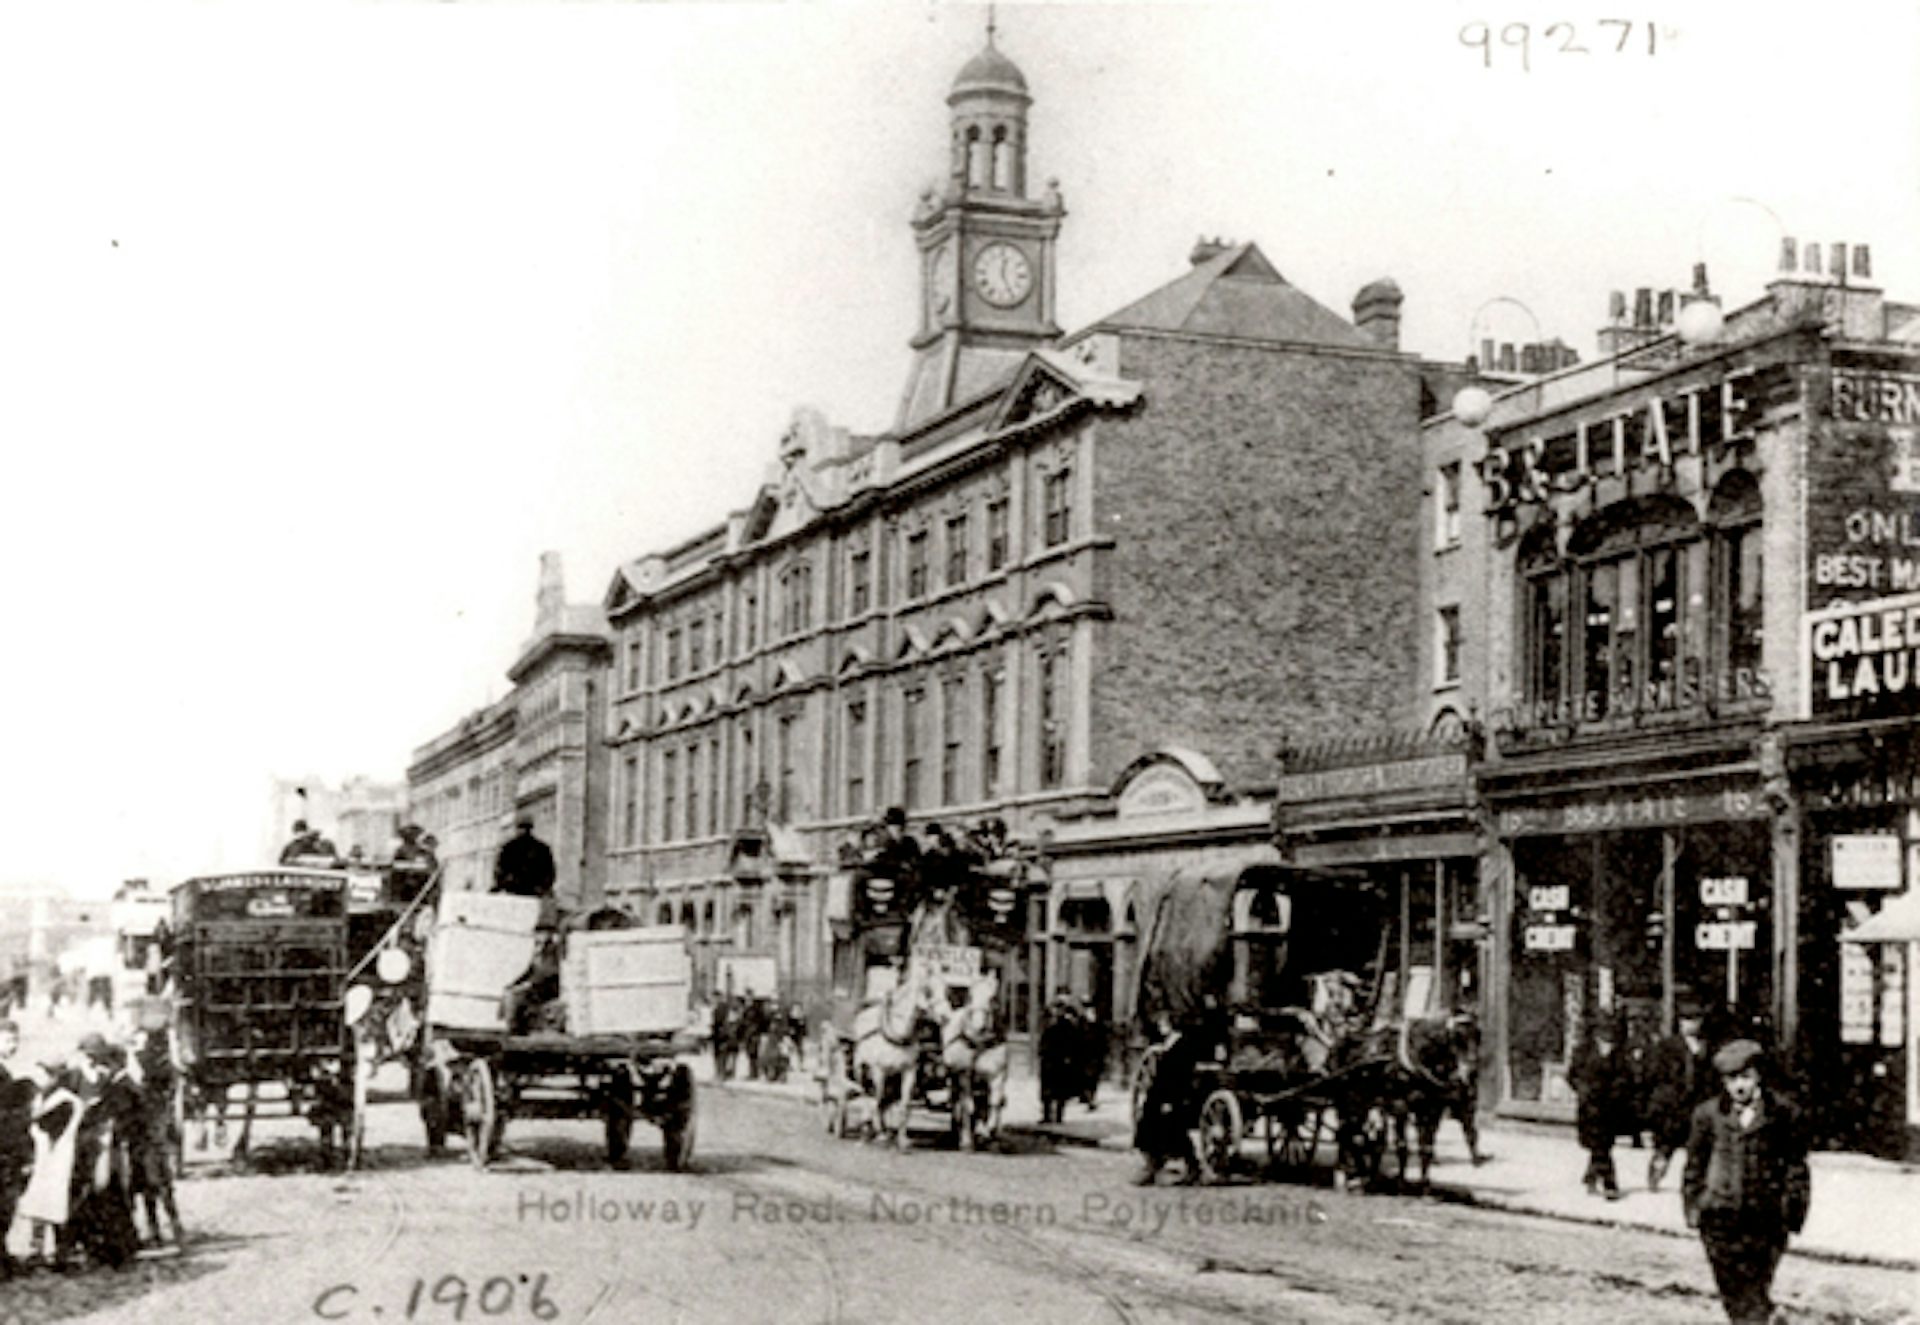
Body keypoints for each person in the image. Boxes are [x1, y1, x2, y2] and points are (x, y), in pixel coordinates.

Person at [1683, 1039, 1811, 1324]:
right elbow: (1694, 1165)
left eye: (1745, 1077)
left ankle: (1764, 1317)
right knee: (1731, 1290)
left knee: (1755, 1287)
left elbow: (1795, 1165)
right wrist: (1694, 1206)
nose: (1739, 1086)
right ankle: (1767, 1318)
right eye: (1731, 1079)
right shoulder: (1708, 1115)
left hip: (1764, 1218)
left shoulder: (1782, 1113)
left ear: (1758, 1076)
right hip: (1719, 1216)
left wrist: (1793, 1211)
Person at [1644, 1005, 1713, 1192]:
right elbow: (1654, 1074)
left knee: (1697, 1146)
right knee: (1666, 1145)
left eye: (1695, 1020)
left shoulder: (1706, 1046)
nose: (1690, 1025)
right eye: (1686, 1020)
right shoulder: (1668, 1046)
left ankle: (1693, 1182)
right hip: (1673, 1106)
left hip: (1697, 1103)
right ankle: (1656, 1175)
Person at [1570, 1015, 1632, 1200]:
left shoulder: (1620, 1055)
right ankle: (1603, 1180)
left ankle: (1599, 1178)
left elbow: (1626, 1077)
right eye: (1603, 1033)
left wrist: (1618, 1091)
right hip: (1589, 1106)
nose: (1607, 1039)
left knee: (1602, 1144)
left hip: (1610, 1107)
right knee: (1599, 1144)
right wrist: (1583, 1090)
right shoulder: (1583, 1052)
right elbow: (1572, 1075)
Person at [0, 1021, 36, 1279]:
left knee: (7, 1205)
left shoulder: (6, 1073)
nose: (13, 1046)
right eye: (8, 1040)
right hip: (5, 1147)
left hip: (10, 1149)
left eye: (15, 1040)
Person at [1038, 998, 1077, 1124]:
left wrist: (1069, 1057)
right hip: (1048, 1059)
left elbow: (1072, 1043)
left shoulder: (1067, 1025)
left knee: (1060, 1089)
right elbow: (1043, 1040)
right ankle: (1046, 1115)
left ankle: (1059, 1116)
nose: (1057, 1012)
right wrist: (1041, 1052)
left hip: (1060, 1060)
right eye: (1056, 1009)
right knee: (1046, 1089)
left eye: (1059, 1009)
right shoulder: (1048, 1023)